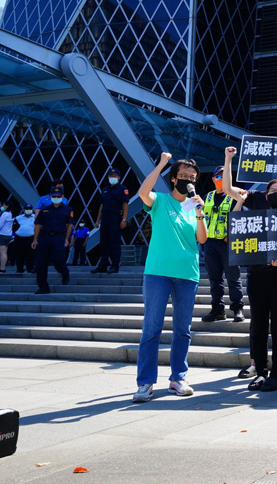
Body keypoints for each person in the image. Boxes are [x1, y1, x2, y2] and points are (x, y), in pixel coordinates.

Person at [221, 146, 277, 391]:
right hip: (257, 274)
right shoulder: (254, 199)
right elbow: (228, 189)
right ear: (266, 194)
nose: (276, 193)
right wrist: (229, 159)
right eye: (272, 190)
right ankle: (260, 371)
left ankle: (276, 373)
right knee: (258, 324)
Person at [132, 152, 206, 403]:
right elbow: (143, 192)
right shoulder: (160, 201)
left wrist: (200, 212)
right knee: (151, 328)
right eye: (183, 176)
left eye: (192, 177)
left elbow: (202, 238)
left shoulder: (194, 206)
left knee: (183, 330)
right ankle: (145, 383)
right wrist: (162, 164)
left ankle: (178, 378)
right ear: (173, 178)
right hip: (158, 273)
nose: (188, 180)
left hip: (187, 274)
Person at [201, 165, 245, 323]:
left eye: (223, 176)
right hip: (210, 243)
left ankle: (237, 308)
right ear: (213, 179)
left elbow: (241, 218)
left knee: (233, 277)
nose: (220, 179)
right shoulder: (207, 197)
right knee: (214, 278)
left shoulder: (234, 196)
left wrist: (232, 235)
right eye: (218, 176)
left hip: (228, 243)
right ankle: (217, 309)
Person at [32, 187, 74, 294]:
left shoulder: (67, 209)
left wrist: (67, 239)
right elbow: (38, 224)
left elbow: (70, 224)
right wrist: (35, 239)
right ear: (50, 197)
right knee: (40, 263)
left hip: (58, 237)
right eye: (54, 196)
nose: (56, 198)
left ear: (62, 197)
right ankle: (43, 286)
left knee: (58, 260)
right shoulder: (45, 210)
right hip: (45, 237)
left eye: (58, 196)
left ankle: (64, 272)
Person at [92, 168, 129, 274]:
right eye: (111, 176)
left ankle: (115, 265)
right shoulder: (105, 189)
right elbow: (102, 205)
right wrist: (97, 220)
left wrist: (124, 219)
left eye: (115, 176)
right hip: (105, 217)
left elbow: (125, 205)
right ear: (108, 177)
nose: (113, 178)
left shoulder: (122, 189)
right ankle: (103, 265)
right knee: (103, 242)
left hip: (115, 217)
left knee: (114, 242)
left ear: (119, 177)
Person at [10, 203, 36, 275]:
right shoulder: (18, 218)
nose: (28, 210)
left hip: (30, 238)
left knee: (30, 254)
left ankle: (30, 268)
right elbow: (14, 227)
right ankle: (20, 268)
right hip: (19, 238)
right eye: (27, 209)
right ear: (24, 210)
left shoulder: (35, 217)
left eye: (29, 209)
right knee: (19, 254)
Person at [0, 201, 14, 273]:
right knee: (5, 252)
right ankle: (2, 267)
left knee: (2, 253)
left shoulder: (5, 214)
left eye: (3, 205)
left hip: (2, 235)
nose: (2, 206)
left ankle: (2, 268)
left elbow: (0, 224)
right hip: (9, 235)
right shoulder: (10, 214)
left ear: (7, 206)